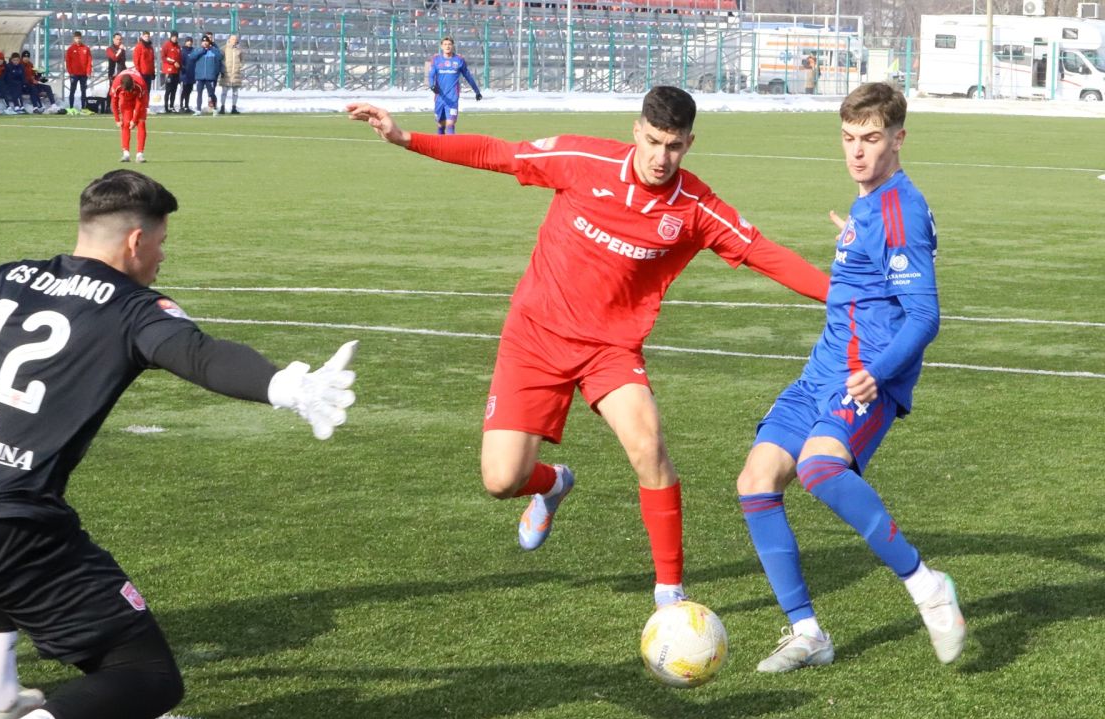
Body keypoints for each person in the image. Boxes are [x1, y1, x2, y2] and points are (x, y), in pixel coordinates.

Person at [0, 169, 358, 719]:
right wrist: (287, 385)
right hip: (2, 531)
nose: (161, 258)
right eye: (161, 243)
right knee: (146, 675)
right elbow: (202, 356)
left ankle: (0, 693)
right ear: (135, 240)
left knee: (1, 517)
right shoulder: (132, 308)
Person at [347, 87, 829, 609]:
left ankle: (670, 593)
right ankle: (552, 484)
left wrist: (848, 296)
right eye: (652, 141)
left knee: (649, 447)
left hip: (611, 349)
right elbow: (498, 154)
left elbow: (763, 253)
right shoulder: (583, 160)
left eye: (673, 146)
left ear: (690, 143)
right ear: (635, 132)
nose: (660, 158)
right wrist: (406, 138)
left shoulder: (694, 207)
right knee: (501, 479)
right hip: (535, 335)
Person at [736, 81, 964, 673]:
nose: (857, 151)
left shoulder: (899, 210)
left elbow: (925, 315)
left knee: (817, 466)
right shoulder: (870, 209)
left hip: (865, 377)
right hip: (821, 370)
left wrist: (878, 373)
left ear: (898, 138)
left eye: (870, 138)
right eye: (848, 139)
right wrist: (854, 236)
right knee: (757, 480)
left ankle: (926, 585)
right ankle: (808, 632)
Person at [426, 36, 481, 135]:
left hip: (452, 98)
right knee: (440, 125)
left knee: (450, 124)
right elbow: (431, 75)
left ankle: (451, 149)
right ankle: (440, 148)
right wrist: (432, 86)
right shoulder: (436, 59)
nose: (447, 46)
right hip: (439, 98)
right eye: (445, 44)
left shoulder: (459, 60)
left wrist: (477, 91)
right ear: (441, 46)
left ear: (453, 46)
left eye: (449, 44)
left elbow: (468, 76)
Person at [111, 68, 148, 162]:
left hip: (139, 99)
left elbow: (139, 104)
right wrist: (117, 119)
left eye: (131, 89)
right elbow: (114, 102)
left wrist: (134, 120)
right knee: (125, 124)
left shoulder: (140, 84)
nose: (130, 91)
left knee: (141, 124)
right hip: (126, 101)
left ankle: (140, 154)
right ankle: (126, 154)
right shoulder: (116, 85)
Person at [190, 36, 222, 116]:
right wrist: (202, 51)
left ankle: (215, 108)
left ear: (209, 42)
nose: (205, 43)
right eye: (203, 42)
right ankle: (198, 109)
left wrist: (212, 49)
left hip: (210, 76)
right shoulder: (198, 50)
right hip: (200, 76)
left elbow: (220, 57)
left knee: (211, 94)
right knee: (199, 93)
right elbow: (192, 57)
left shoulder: (213, 50)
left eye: (206, 41)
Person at [66, 31, 92, 111]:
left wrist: (88, 72)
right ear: (74, 39)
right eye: (76, 38)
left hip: (83, 74)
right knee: (72, 91)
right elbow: (68, 61)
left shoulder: (86, 48)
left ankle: (83, 108)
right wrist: (70, 72)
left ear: (81, 38)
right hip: (74, 74)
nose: (78, 40)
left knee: (83, 91)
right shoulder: (70, 49)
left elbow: (89, 61)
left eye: (79, 38)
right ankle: (71, 108)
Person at [218, 34, 243, 114]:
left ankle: (234, 107)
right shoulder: (224, 48)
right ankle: (222, 107)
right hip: (226, 73)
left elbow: (242, 60)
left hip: (236, 74)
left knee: (235, 92)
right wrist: (222, 70)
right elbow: (220, 60)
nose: (234, 41)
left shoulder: (239, 50)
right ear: (229, 39)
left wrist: (239, 67)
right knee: (224, 92)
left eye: (235, 39)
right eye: (233, 39)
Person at [160, 31, 181, 113]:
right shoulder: (166, 45)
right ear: (171, 37)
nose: (175, 38)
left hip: (176, 71)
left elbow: (179, 58)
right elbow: (163, 57)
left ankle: (171, 106)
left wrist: (180, 66)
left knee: (174, 90)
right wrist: (173, 62)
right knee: (168, 89)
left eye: (176, 37)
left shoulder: (178, 47)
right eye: (173, 37)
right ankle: (166, 107)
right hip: (169, 71)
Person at [132, 31, 155, 103]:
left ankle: (146, 106)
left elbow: (152, 60)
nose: (147, 38)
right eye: (145, 36)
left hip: (149, 72)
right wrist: (138, 71)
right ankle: (139, 105)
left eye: (148, 36)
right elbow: (136, 59)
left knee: (148, 90)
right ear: (142, 37)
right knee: (141, 90)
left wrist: (153, 72)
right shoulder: (139, 46)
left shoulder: (150, 47)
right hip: (142, 72)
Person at [178, 36, 195, 113]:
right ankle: (181, 106)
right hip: (184, 74)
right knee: (184, 91)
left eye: (190, 41)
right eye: (188, 41)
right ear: (185, 42)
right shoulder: (182, 51)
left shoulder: (194, 51)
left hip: (192, 74)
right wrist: (182, 70)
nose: (189, 42)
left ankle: (186, 106)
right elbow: (180, 62)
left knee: (189, 91)